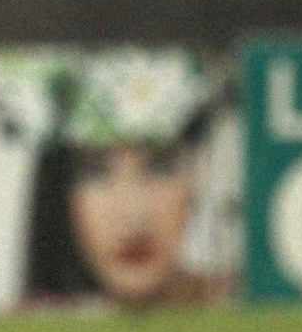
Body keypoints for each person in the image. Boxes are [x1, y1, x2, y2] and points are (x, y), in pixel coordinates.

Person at [17, 49, 237, 309]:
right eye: (95, 172)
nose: (133, 215)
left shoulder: (250, 311)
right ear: (57, 187)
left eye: (160, 167)